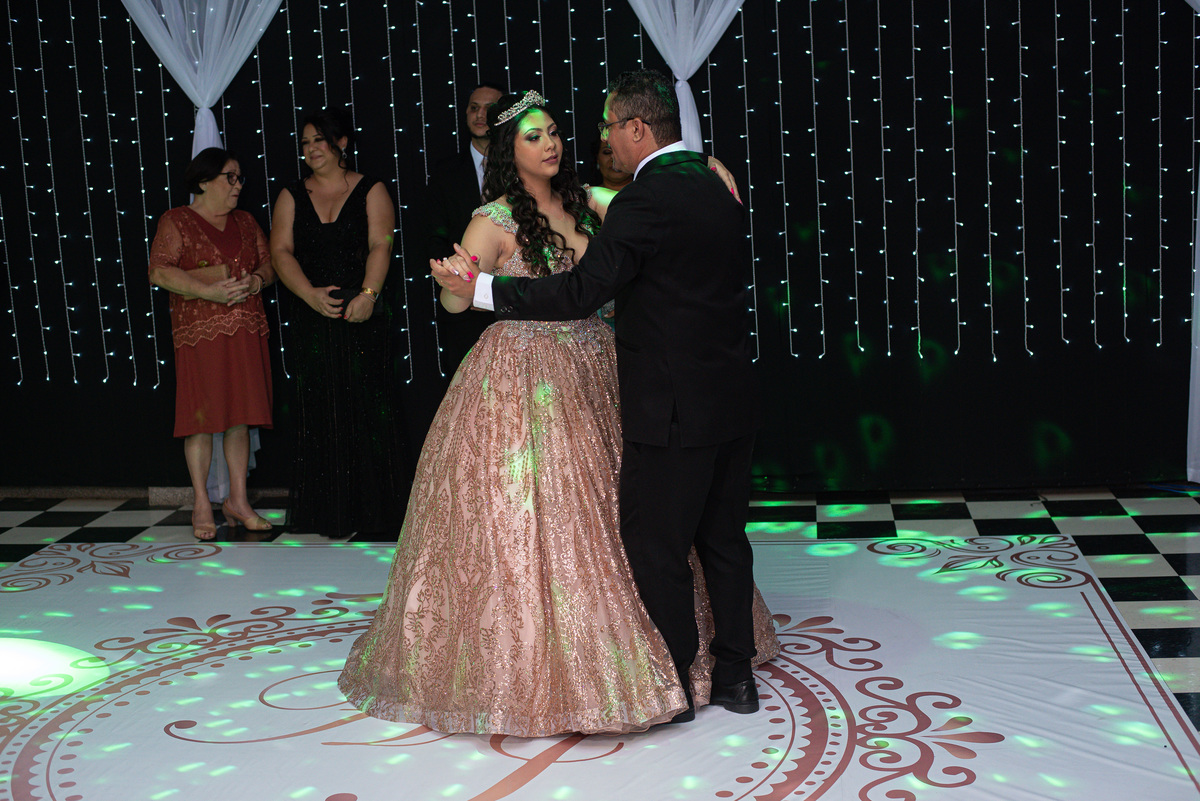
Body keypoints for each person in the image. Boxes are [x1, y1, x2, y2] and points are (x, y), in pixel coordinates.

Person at [339, 90, 777, 737]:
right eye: (534, 135)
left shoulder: (596, 202)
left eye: (554, 132)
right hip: (525, 380)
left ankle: (680, 670)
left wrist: (698, 166)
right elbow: (457, 304)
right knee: (562, 521)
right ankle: (660, 669)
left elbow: (598, 275)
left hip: (606, 371)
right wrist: (460, 283)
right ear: (507, 150)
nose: (553, 143)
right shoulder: (492, 218)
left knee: (652, 526)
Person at [270, 109, 409, 538]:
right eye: (305, 142)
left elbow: (381, 244)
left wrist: (368, 295)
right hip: (312, 317)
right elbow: (280, 252)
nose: (311, 149)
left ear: (341, 143)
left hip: (362, 315)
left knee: (367, 410)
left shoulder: (371, 188)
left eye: (319, 140)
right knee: (320, 412)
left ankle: (373, 514)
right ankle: (327, 514)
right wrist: (309, 295)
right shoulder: (291, 194)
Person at [148, 147, 277, 541]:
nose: (237, 185)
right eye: (229, 177)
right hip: (200, 334)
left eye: (239, 178)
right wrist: (209, 292)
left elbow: (269, 265)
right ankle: (202, 502)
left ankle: (237, 500)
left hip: (245, 330)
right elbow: (159, 271)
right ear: (204, 182)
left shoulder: (246, 221)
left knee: (240, 417)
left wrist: (256, 282)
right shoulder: (177, 220)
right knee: (200, 418)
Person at [426, 82, 507, 380]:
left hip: (516, 304)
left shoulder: (521, 169)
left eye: (489, 109)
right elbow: (434, 237)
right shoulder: (445, 172)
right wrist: (462, 286)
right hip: (463, 309)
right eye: (474, 108)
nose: (480, 115)